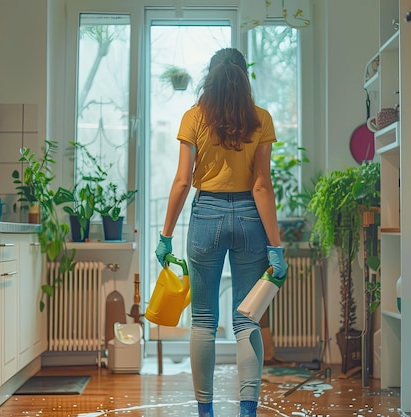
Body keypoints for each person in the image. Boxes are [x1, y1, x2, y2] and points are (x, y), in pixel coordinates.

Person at [154, 48, 287, 417]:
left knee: (203, 321)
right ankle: (247, 412)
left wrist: (165, 235)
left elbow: (182, 181)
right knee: (246, 320)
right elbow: (262, 186)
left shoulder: (194, 117)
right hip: (249, 218)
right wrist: (275, 246)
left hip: (207, 215)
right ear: (245, 79)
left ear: (209, 78)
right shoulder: (260, 119)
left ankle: (205, 412)